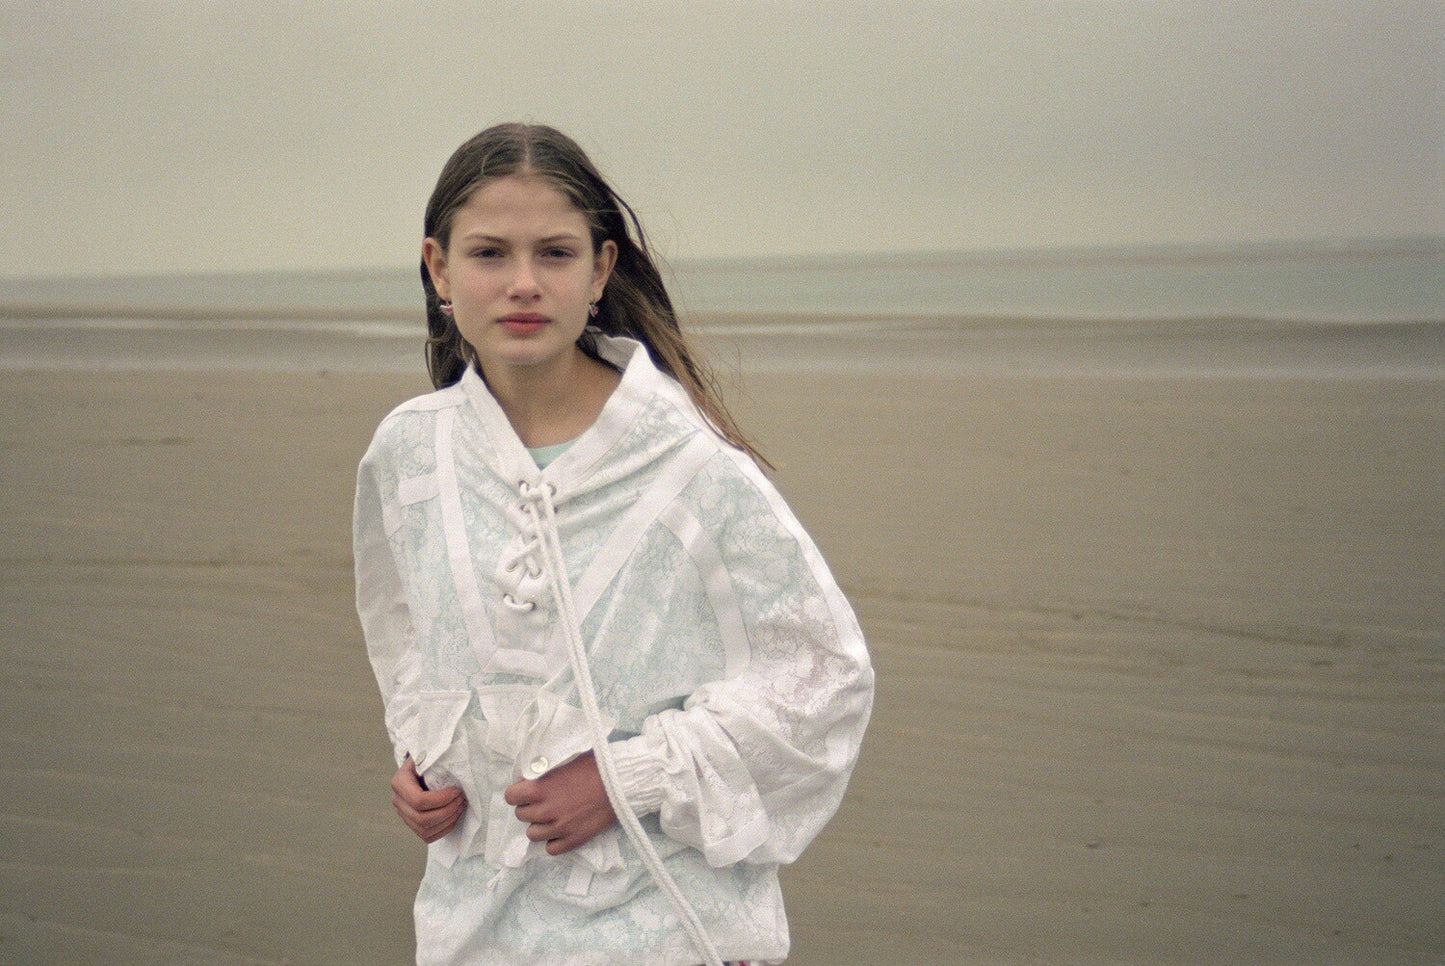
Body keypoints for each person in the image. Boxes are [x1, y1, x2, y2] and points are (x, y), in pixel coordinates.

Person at [354, 122, 873, 966]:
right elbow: (408, 632)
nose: (523, 283)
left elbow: (823, 679)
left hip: (666, 925)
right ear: (439, 269)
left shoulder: (689, 465)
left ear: (599, 270)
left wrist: (625, 780)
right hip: (473, 926)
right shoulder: (410, 452)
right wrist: (423, 757)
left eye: (555, 253)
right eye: (489, 253)